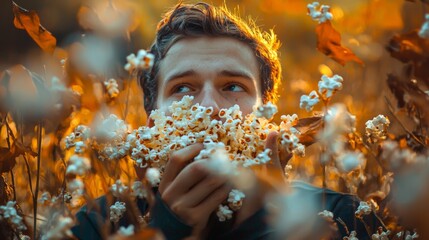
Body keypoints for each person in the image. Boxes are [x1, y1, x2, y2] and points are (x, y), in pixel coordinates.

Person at [72, 2, 381, 239]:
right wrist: (162, 230)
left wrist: (268, 224)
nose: (210, 107)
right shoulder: (97, 224)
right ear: (153, 122)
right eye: (182, 88)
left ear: (266, 115)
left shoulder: (342, 219)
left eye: (233, 86)